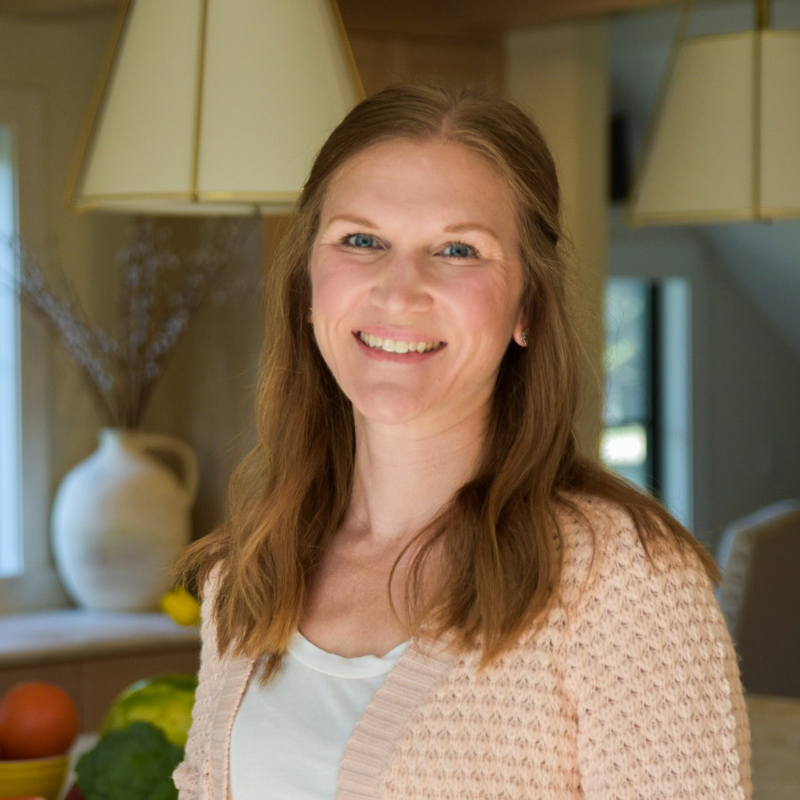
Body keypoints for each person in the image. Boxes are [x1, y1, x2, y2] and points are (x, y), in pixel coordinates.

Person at [173, 83, 751, 800]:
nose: (399, 288)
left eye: (457, 249)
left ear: (528, 306)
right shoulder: (251, 569)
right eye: (361, 240)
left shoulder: (626, 581)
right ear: (307, 285)